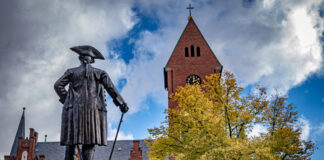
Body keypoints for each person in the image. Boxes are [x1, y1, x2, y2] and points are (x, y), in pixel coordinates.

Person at [54, 45, 128, 160]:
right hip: (92, 113)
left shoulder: (71, 72)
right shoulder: (100, 73)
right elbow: (111, 88)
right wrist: (122, 104)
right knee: (89, 144)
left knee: (71, 143)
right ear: (91, 61)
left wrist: (68, 100)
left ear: (81, 59)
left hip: (74, 112)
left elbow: (58, 85)